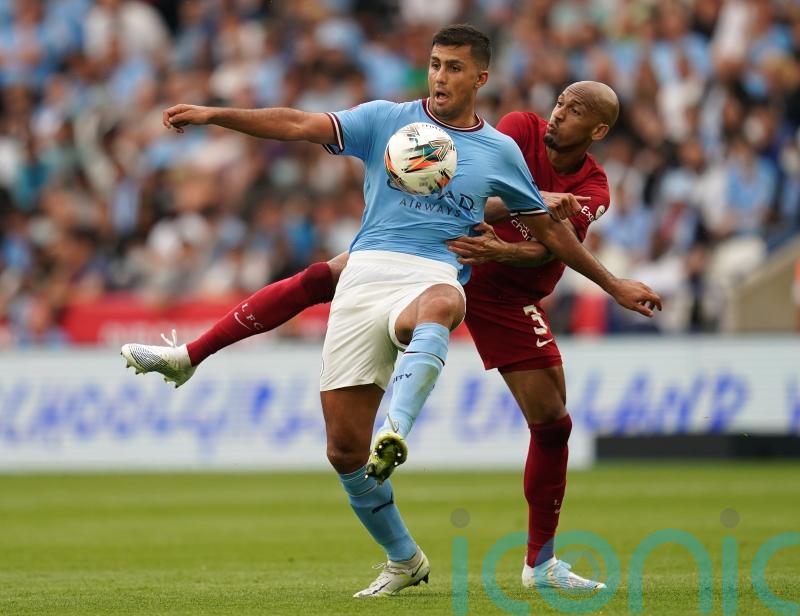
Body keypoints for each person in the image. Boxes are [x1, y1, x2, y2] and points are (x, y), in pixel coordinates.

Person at [122, 25, 660, 596]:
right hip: (415, 255)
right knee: (337, 395)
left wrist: (609, 281)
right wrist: (215, 114)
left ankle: (532, 554)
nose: (440, 77)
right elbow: (304, 125)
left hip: (483, 280)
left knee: (550, 417)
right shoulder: (466, 126)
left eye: (454, 68)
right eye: (434, 65)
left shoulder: (575, 177)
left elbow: (548, 235)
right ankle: (191, 356)